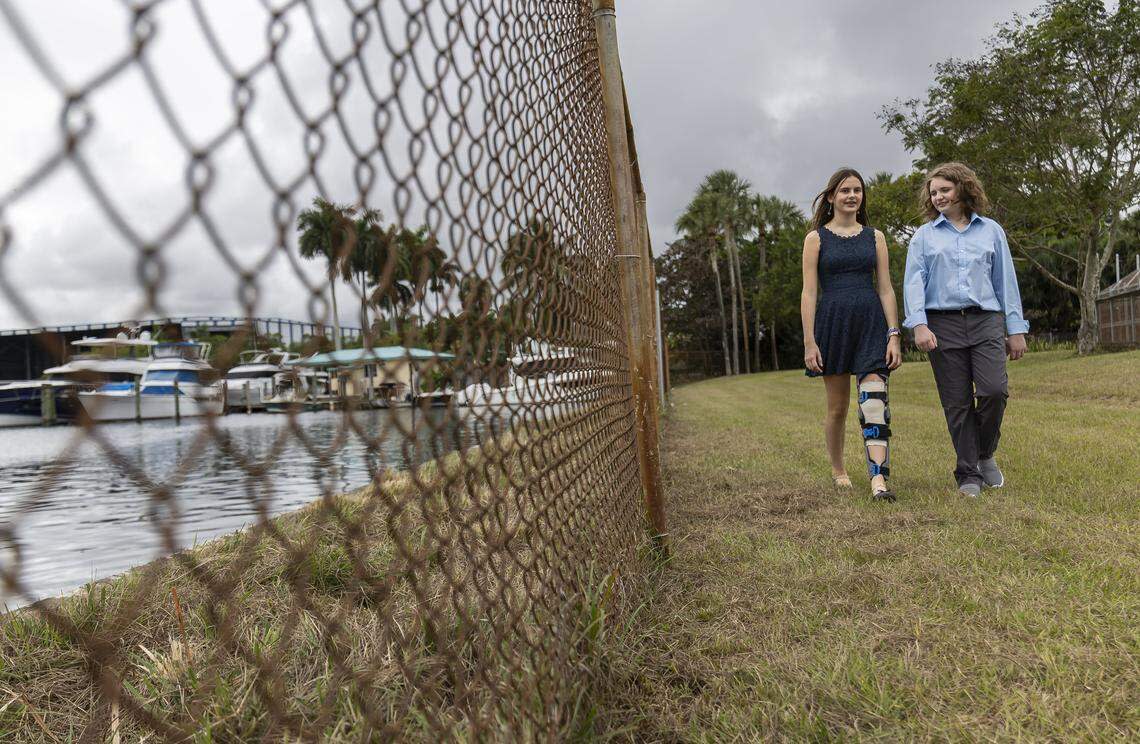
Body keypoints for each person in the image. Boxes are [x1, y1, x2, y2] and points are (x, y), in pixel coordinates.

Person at [902, 162, 1028, 497]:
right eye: (933, 192)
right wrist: (919, 324)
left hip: (985, 319)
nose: (938, 196)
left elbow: (1005, 281)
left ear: (963, 188)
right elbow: (913, 284)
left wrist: (1015, 328)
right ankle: (968, 473)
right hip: (942, 324)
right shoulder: (924, 237)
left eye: (945, 189)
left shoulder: (991, 231)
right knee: (957, 403)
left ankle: (985, 454)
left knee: (993, 390)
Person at [801, 167, 902, 502]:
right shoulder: (815, 239)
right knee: (838, 408)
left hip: (870, 324)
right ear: (831, 197)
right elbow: (809, 293)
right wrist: (809, 342)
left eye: (857, 190)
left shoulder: (876, 237)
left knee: (875, 401)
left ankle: (878, 480)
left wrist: (894, 334)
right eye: (845, 190)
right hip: (832, 326)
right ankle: (839, 469)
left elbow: (886, 289)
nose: (851, 196)